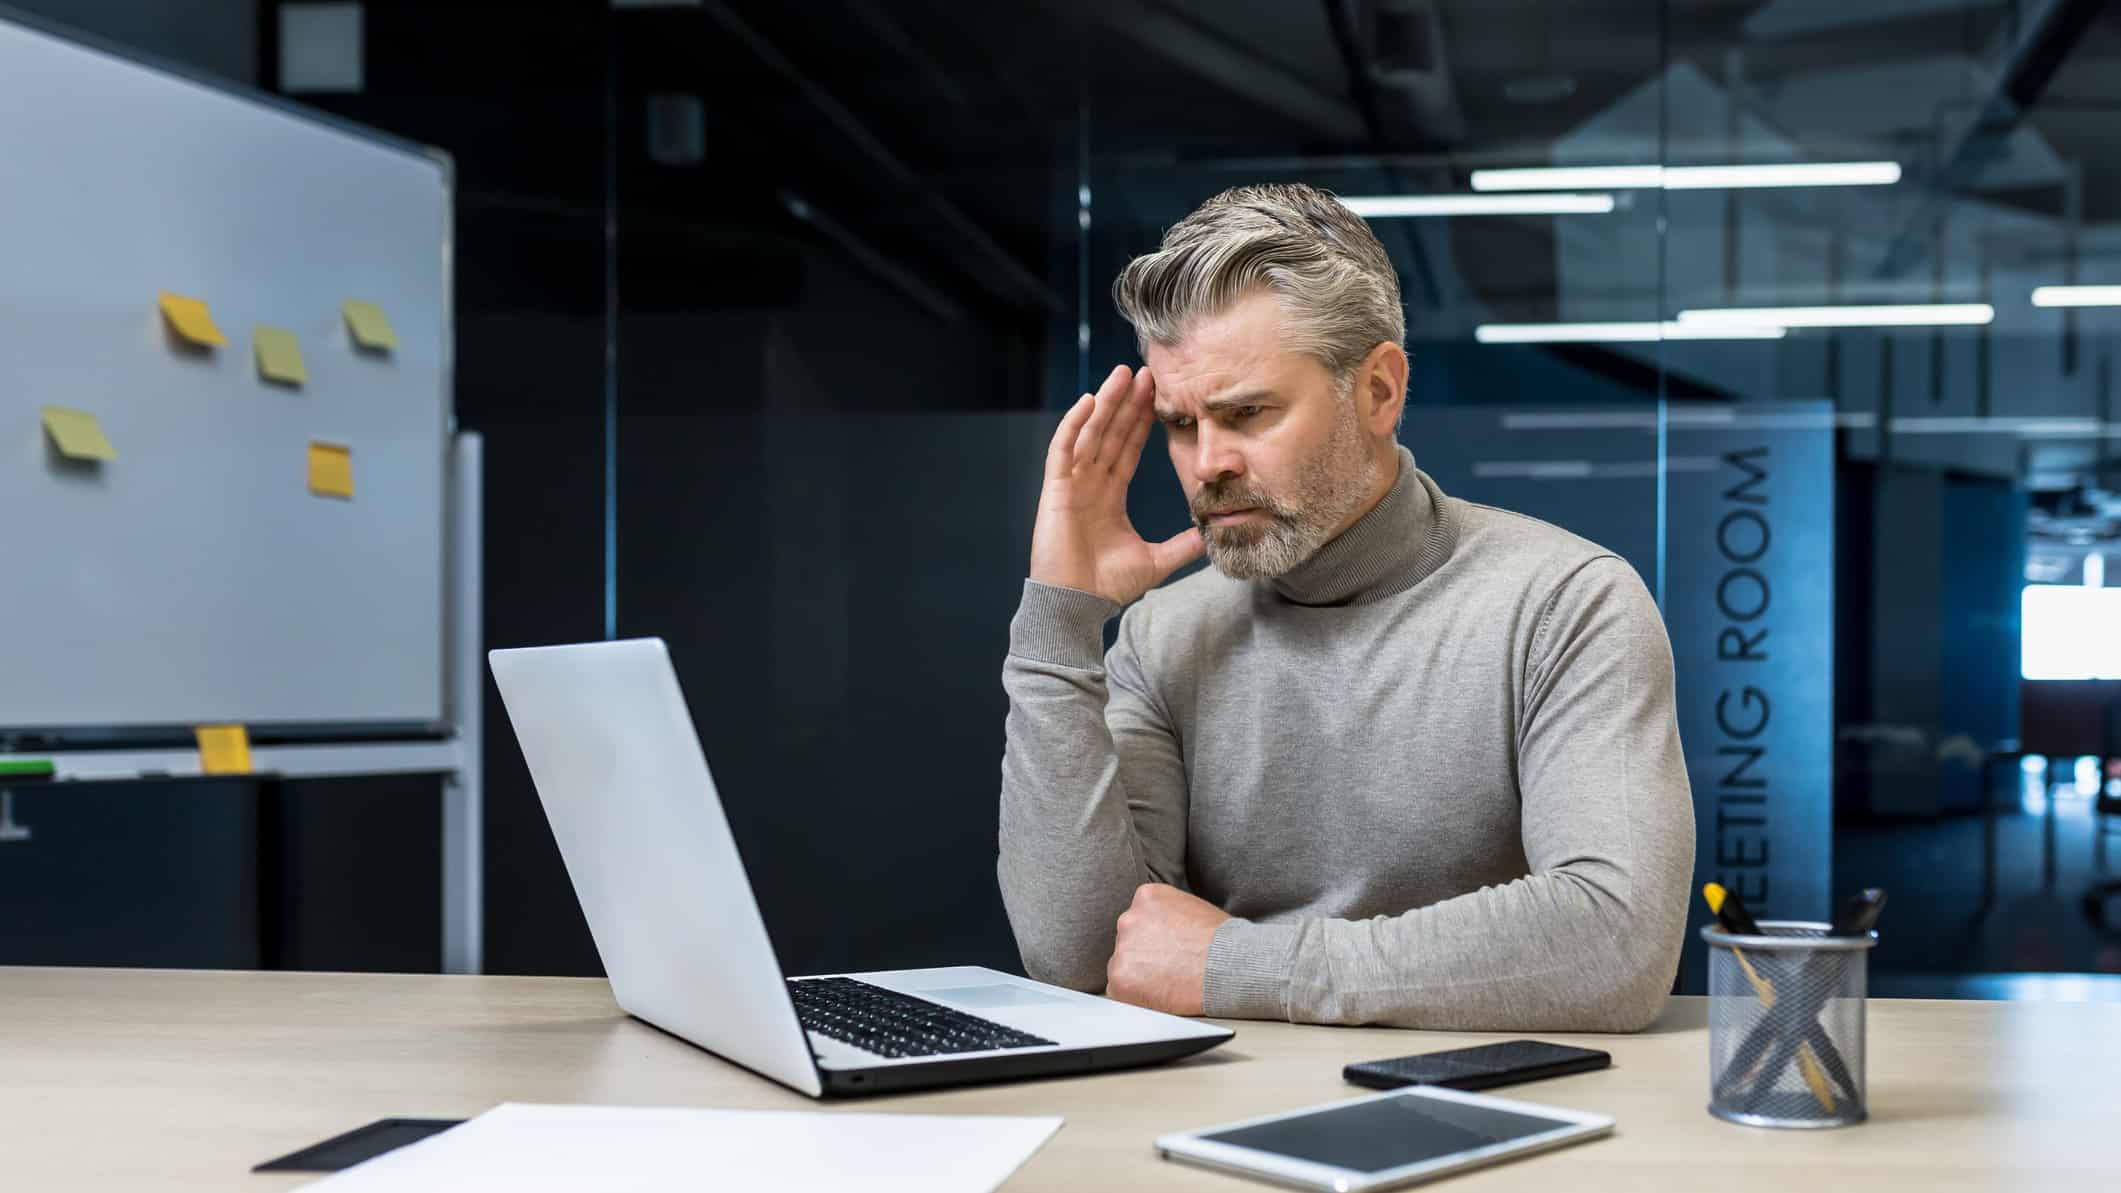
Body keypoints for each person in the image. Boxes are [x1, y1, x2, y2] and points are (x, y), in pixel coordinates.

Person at [995, 182, 1694, 1032]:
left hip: (1489, 1101)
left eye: (1246, 413)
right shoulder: (1163, 635)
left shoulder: (1565, 603)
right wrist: (1060, 621)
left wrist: (1240, 964)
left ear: (1378, 392)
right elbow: (1084, 954)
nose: (1206, 464)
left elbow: (1616, 941)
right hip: (1227, 1101)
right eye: (1179, 424)